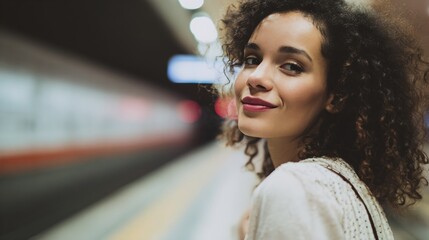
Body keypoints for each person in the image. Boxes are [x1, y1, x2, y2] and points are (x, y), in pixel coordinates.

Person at [217, 0, 429, 239]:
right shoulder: (343, 184)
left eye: (291, 66)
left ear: (336, 96)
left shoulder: (291, 190)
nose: (256, 77)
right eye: (252, 59)